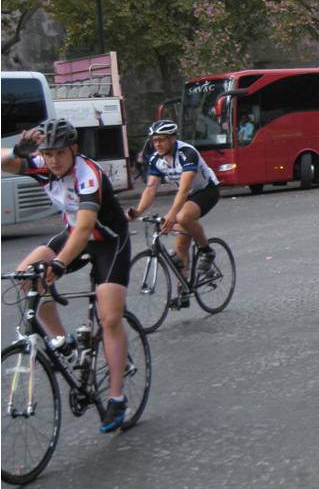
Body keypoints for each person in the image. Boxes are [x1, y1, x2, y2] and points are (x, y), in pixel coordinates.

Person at [1, 118, 132, 432]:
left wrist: (58, 265)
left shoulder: (88, 175)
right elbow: (4, 161)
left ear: (74, 149)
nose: (53, 160)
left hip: (108, 241)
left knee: (110, 316)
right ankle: (62, 341)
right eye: (48, 154)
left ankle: (117, 399)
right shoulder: (42, 165)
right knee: (25, 275)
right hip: (74, 234)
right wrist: (18, 150)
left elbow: (87, 227)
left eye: (60, 153)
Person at [127, 120, 221, 309]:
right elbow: (151, 188)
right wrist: (137, 211)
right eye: (154, 141)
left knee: (182, 217)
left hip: (206, 190)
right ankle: (184, 291)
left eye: (161, 140)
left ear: (173, 138)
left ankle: (206, 251)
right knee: (180, 246)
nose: (158, 144)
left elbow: (185, 188)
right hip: (186, 195)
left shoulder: (187, 153)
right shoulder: (156, 159)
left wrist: (171, 215)